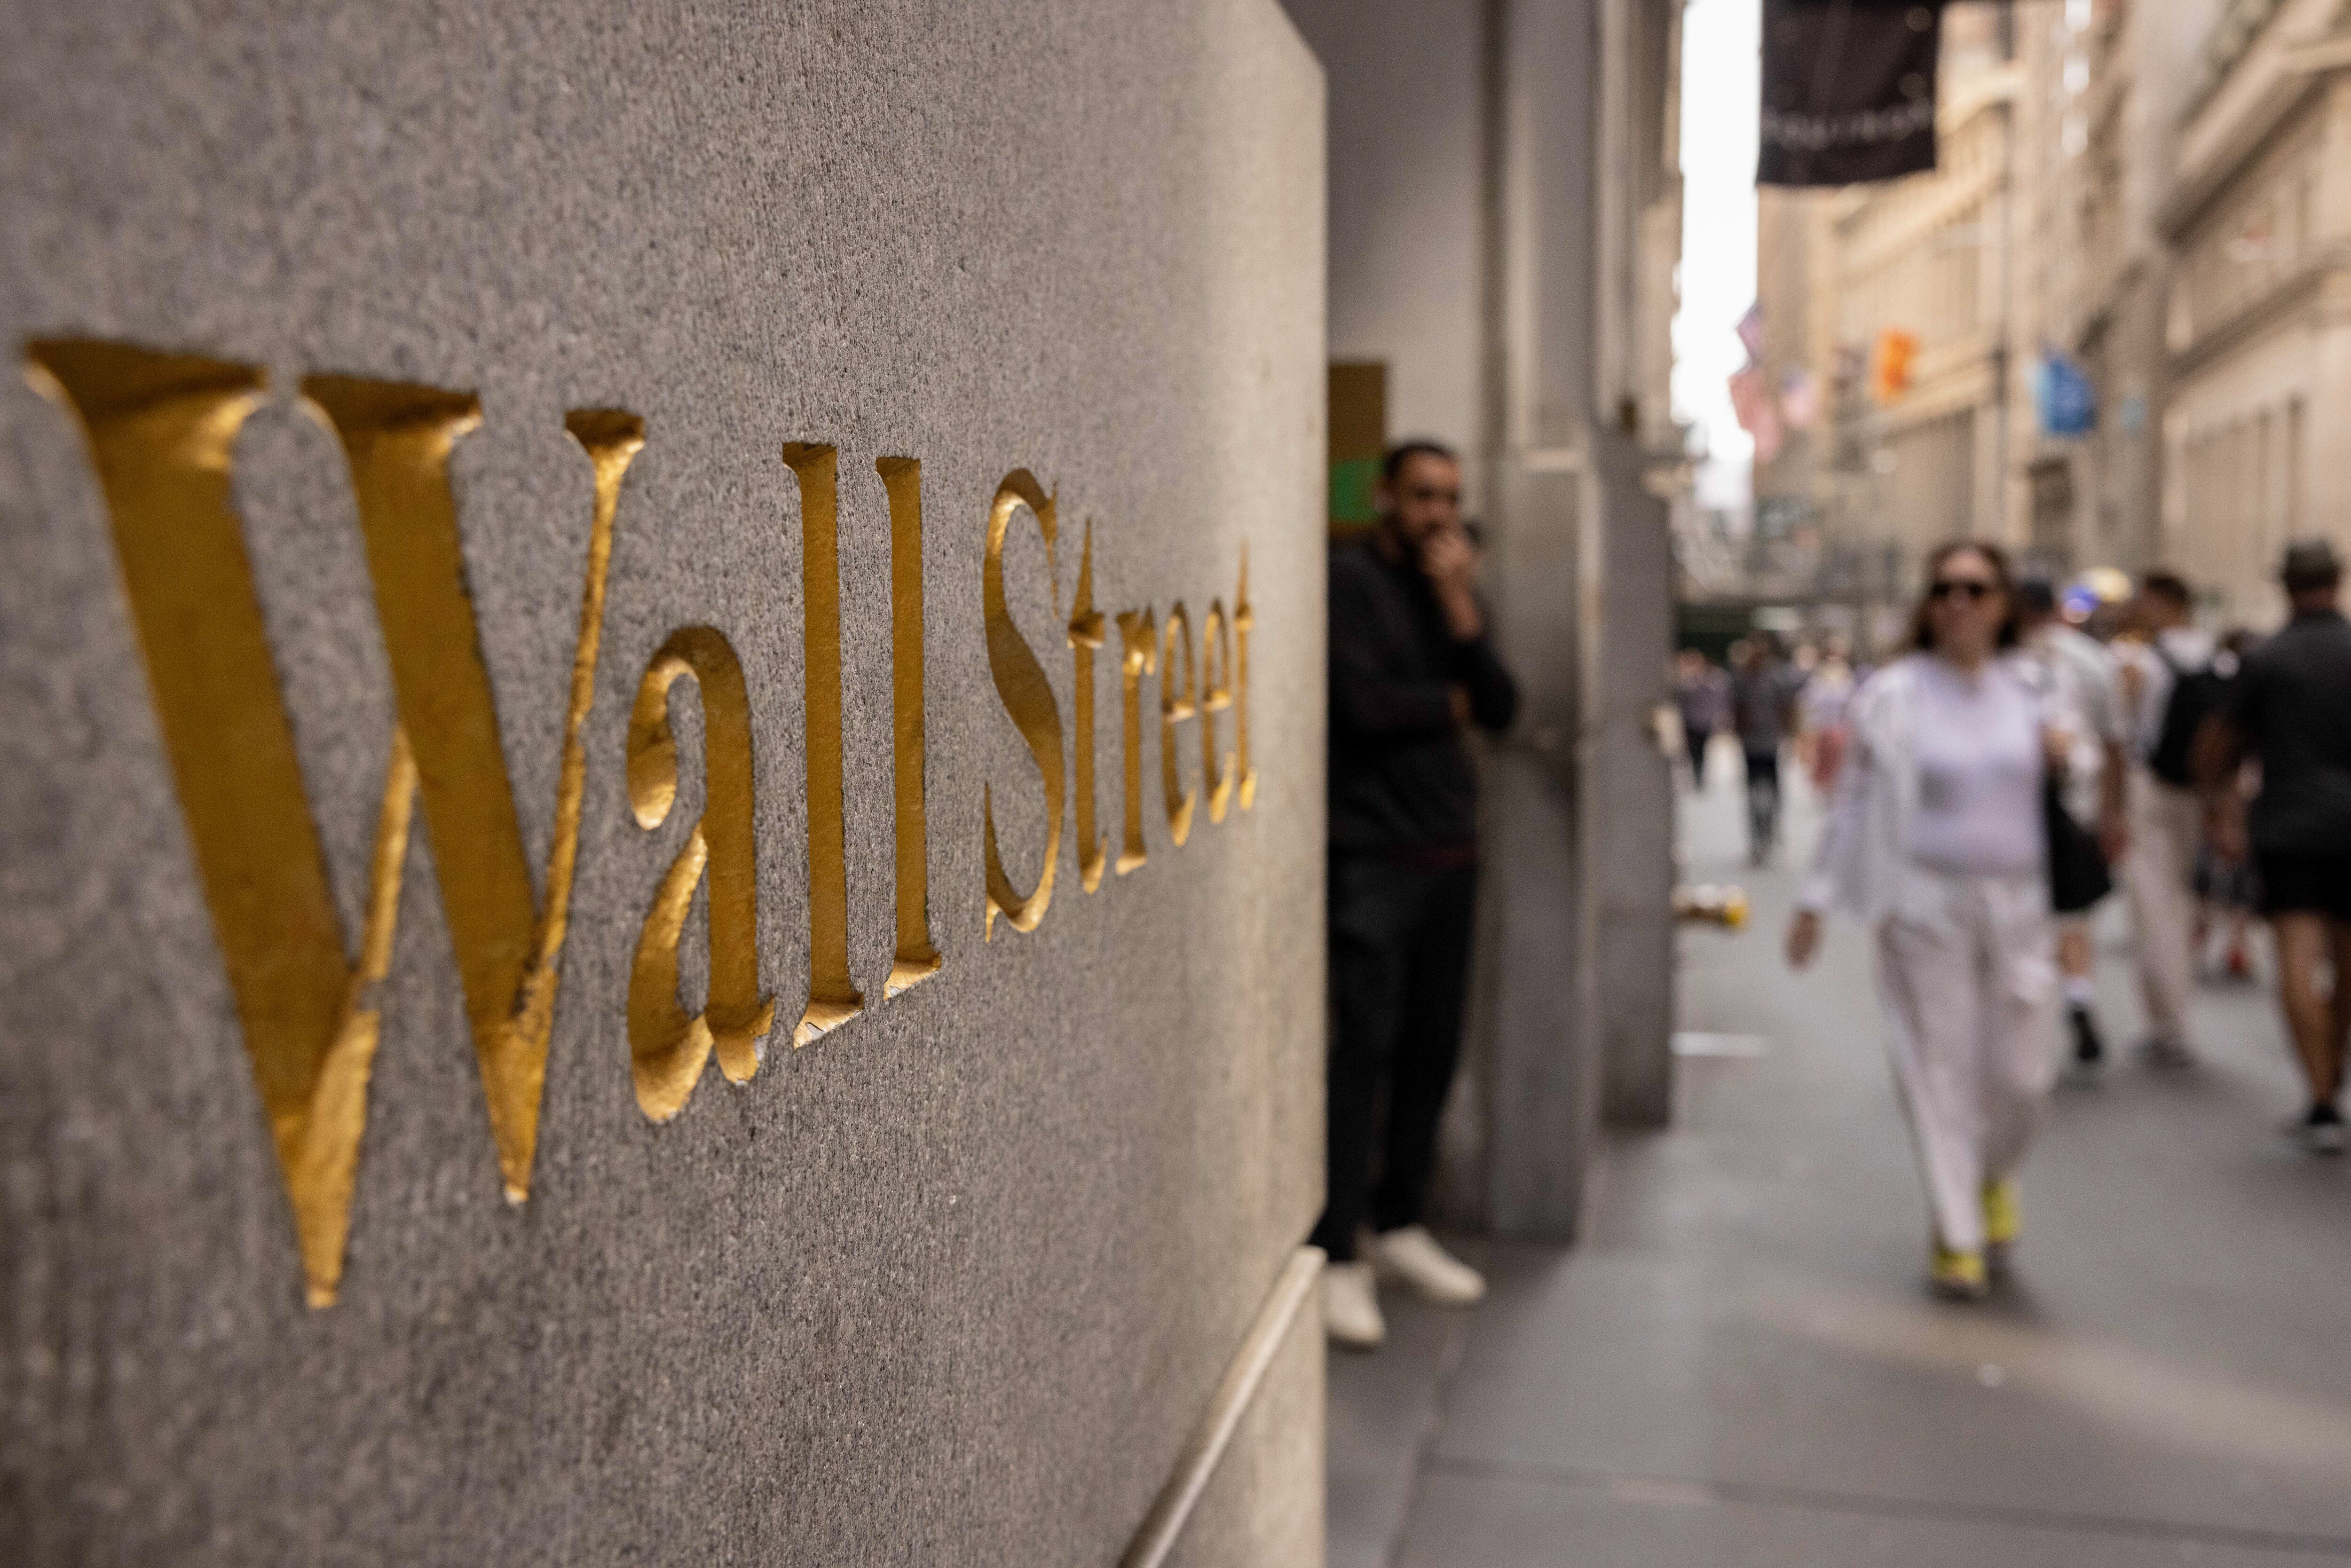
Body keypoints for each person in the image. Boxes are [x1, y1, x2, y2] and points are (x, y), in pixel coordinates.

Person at [1787, 542, 2062, 1301]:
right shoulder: (1893, 693)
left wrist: (2068, 760)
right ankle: (1957, 1230)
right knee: (1939, 1067)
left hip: (2020, 902)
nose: (1958, 603)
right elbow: (1851, 801)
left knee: (2024, 1076)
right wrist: (1816, 899)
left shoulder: (2035, 687)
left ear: (2003, 602)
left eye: (1975, 588)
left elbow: (2084, 784)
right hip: (1923, 904)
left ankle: (1992, 1174)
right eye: (1944, 589)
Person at [1319, 439, 1521, 1348]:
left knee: (1433, 1049)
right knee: (1362, 1051)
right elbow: (1361, 708)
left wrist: (1461, 611)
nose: (1439, 513)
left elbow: (1504, 706)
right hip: (1372, 853)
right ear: (1386, 497)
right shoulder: (1350, 581)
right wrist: (1447, 704)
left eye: (1450, 497)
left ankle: (1398, 1221)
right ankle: (1337, 1251)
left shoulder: (1454, 595)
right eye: (1423, 495)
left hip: (1450, 853)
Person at [2196, 540, 2351, 1156]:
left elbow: (2217, 747)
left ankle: (2320, 1096)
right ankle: (2331, 1068)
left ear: (2285, 586)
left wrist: (2219, 807)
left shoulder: (2267, 658)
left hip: (2289, 826)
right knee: (2346, 962)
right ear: (2337, 580)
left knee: (2296, 957)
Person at [2015, 578, 2129, 1070]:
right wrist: (2112, 812)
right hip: (2076, 808)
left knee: (2027, 918)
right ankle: (2077, 993)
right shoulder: (2091, 659)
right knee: (2073, 917)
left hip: (2020, 810)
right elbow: (2115, 743)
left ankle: (2037, 1014)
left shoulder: (2004, 660)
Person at [2113, 571, 2220, 1069]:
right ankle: (2173, 1012)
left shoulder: (2142, 662)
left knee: (2154, 904)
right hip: (2199, 791)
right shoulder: (2217, 657)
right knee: (2182, 899)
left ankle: (2167, 1020)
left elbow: (2122, 731)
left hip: (2151, 789)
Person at [1731, 636, 1800, 864]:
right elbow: (1736, 709)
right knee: (1754, 794)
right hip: (1752, 744)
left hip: (1770, 744)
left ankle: (1769, 834)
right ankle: (1758, 840)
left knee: (1771, 792)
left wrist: (1788, 734)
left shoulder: (1777, 678)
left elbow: (1788, 708)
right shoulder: (1743, 679)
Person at [1799, 635, 1859, 792]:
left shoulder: (1848, 678)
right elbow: (1810, 703)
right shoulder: (1819, 677)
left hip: (1842, 731)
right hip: (1823, 730)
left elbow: (1853, 706)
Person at [1674, 648, 1732, 790]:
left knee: (1700, 750)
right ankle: (1695, 773)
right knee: (1692, 750)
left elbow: (1719, 700)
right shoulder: (1688, 681)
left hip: (1704, 722)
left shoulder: (1712, 681)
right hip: (1690, 721)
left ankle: (1699, 774)